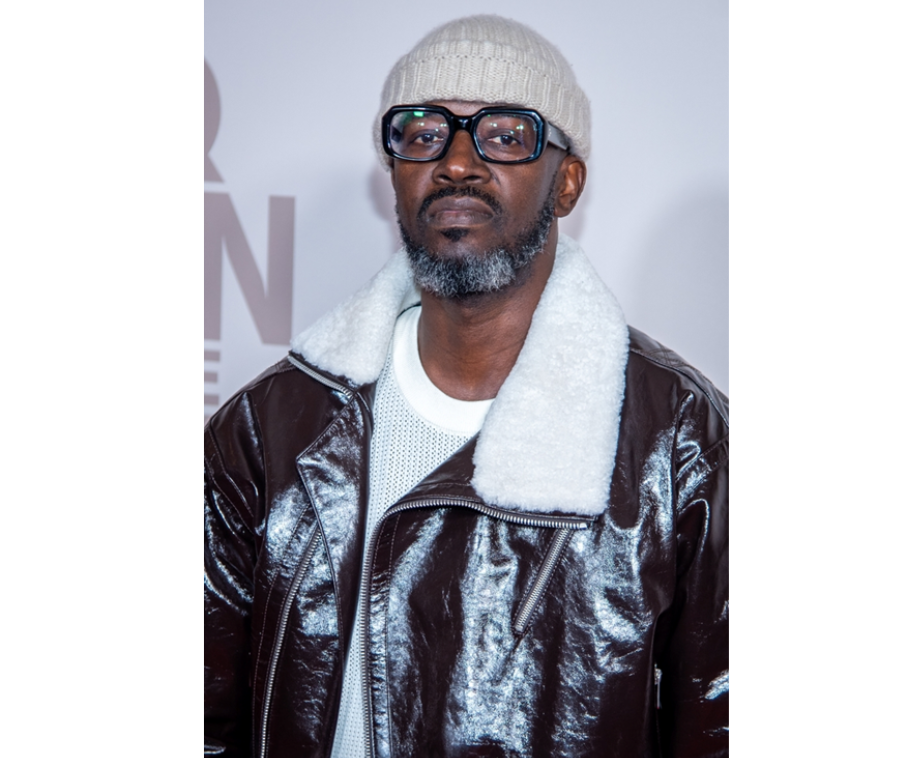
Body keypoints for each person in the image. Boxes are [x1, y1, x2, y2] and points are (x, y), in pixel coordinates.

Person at [205, 15, 728, 758]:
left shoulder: (680, 443)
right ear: (393, 172)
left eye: (505, 135)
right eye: (423, 133)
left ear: (567, 182)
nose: (456, 163)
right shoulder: (269, 427)